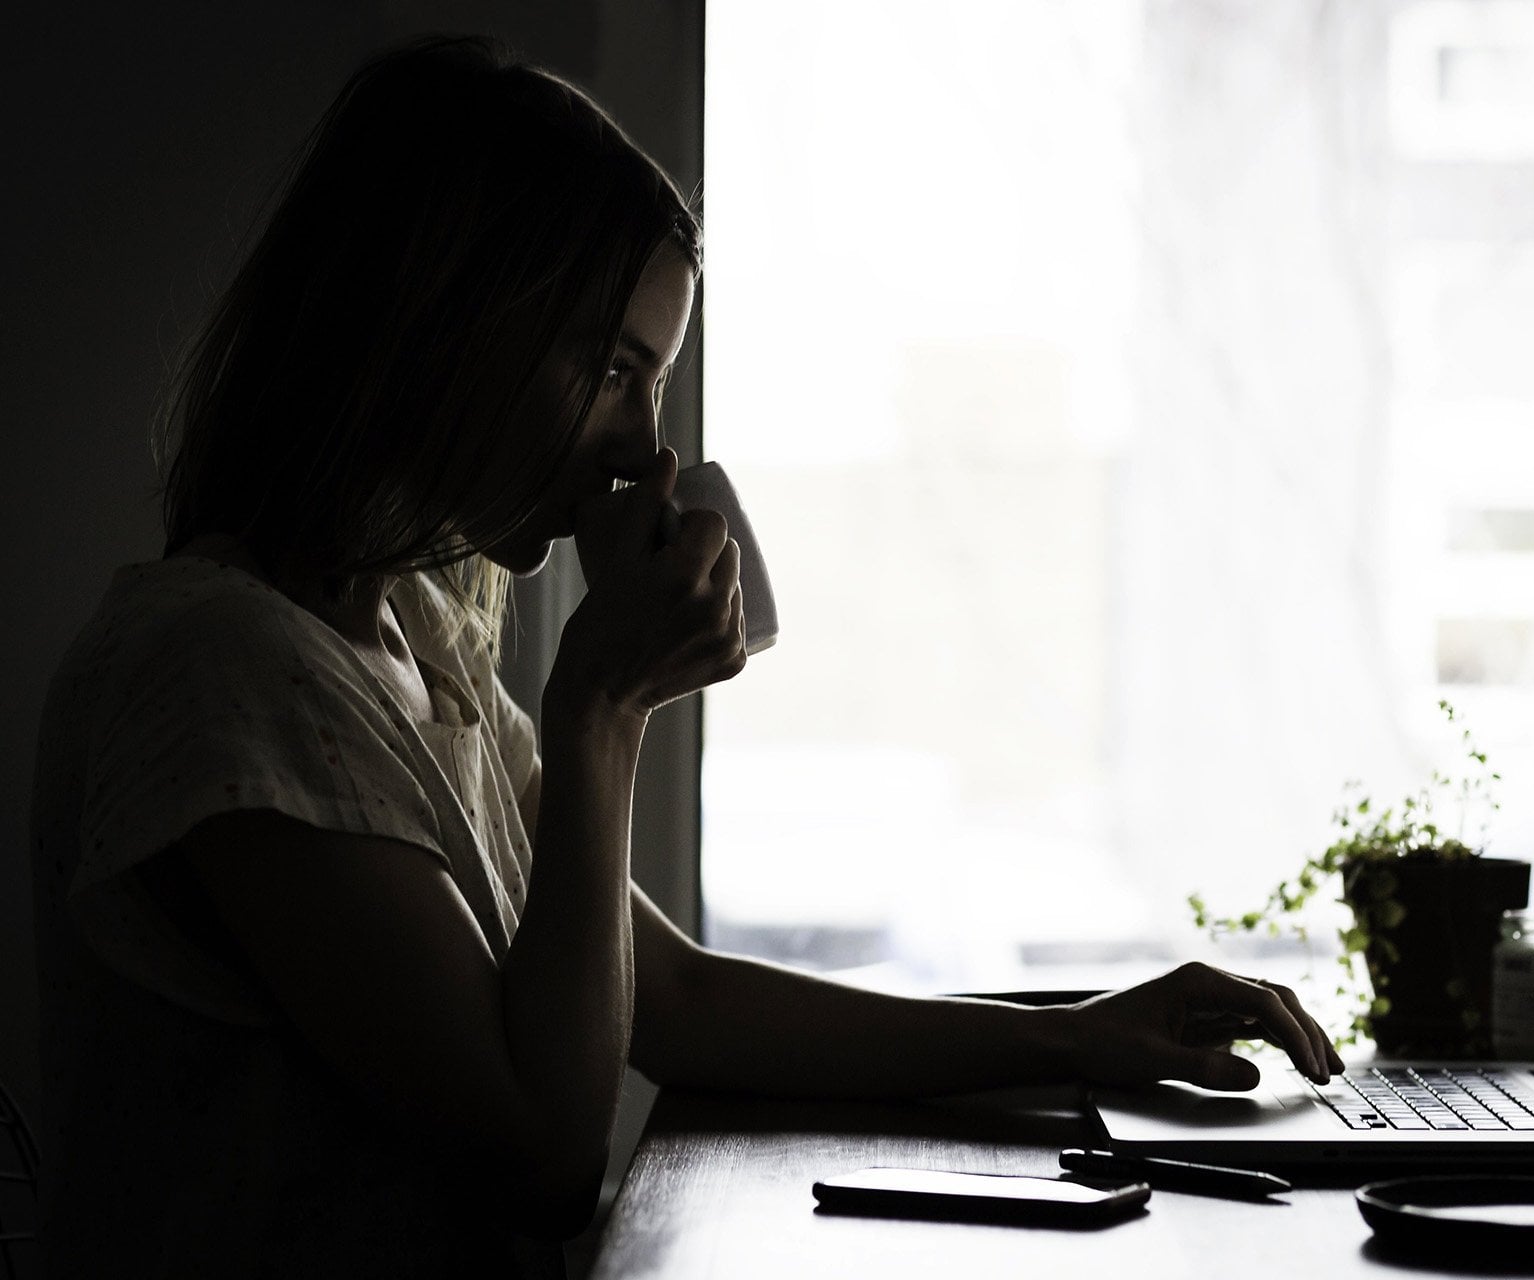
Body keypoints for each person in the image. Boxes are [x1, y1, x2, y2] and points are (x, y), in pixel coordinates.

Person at [28, 34, 1339, 1278]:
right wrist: (604, 702)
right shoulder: (224, 674)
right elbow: (537, 1148)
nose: (643, 449)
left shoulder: (411, 648)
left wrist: (1083, 1035)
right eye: (611, 368)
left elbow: (671, 996)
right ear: (446, 328)